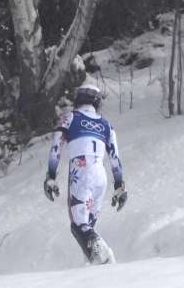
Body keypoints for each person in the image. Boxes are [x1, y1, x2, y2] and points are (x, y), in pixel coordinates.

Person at [42, 83, 127, 264]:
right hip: (100, 175)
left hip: (81, 172)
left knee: (79, 226)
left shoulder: (70, 117)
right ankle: (91, 270)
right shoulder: (106, 125)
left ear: (78, 100)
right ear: (97, 102)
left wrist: (50, 176)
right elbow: (115, 159)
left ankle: (103, 259)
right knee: (87, 227)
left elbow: (56, 147)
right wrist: (120, 187)